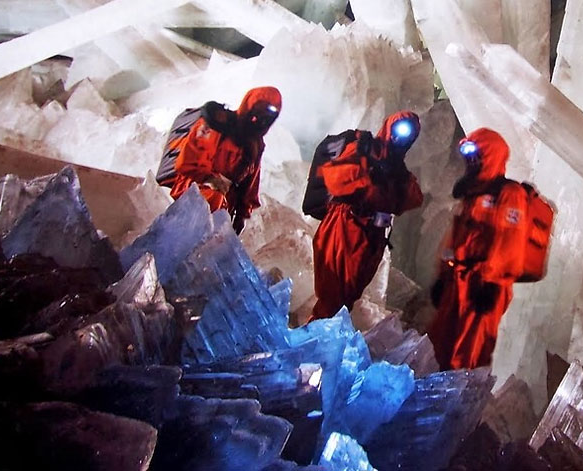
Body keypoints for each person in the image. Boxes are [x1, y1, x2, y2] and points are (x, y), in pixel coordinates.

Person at [427, 127, 536, 370]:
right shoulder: (473, 195)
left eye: (475, 157)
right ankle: (433, 399)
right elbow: (454, 238)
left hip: (484, 286)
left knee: (469, 353)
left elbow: (511, 243)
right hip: (458, 281)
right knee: (441, 344)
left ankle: (459, 404)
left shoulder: (509, 194)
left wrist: (491, 283)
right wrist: (443, 274)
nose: (471, 163)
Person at [309, 111, 424, 321]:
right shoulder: (364, 149)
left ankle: (323, 337)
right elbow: (335, 178)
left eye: (409, 135)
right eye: (400, 130)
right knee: (332, 295)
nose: (402, 138)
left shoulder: (398, 170)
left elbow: (413, 198)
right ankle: (314, 340)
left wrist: (395, 177)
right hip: (345, 227)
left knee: (347, 297)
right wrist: (367, 172)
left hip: (371, 238)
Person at [165, 86, 282, 234]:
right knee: (212, 202)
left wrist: (241, 215)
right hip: (195, 192)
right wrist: (210, 179)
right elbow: (187, 163)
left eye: (268, 116)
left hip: (224, 205)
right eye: (260, 112)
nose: (261, 120)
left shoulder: (256, 146)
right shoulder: (216, 125)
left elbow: (250, 186)